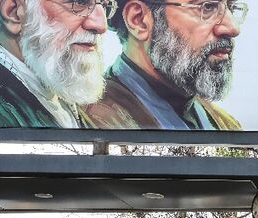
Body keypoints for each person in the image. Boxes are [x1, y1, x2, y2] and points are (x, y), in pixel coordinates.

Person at [84, 0, 245, 129]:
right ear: (139, 20)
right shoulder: (87, 122)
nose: (233, 28)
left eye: (231, 7)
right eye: (207, 7)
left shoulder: (226, 125)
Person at [0, 0, 111, 127]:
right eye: (79, 2)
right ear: (14, 11)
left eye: (105, 6)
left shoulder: (58, 84)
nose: (102, 26)